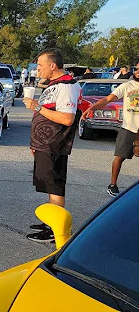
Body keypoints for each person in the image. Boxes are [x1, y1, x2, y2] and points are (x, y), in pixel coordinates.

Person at [22, 49, 80, 243]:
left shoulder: (66, 86)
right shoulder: (54, 85)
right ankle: (50, 222)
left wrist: (36, 107)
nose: (37, 69)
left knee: (55, 187)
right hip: (44, 144)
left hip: (54, 144)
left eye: (40, 65)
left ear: (52, 65)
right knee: (49, 184)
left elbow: (67, 118)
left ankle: (56, 231)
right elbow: (50, 110)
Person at [81, 63, 139, 197]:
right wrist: (92, 108)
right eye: (136, 69)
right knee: (119, 157)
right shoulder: (127, 86)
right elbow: (107, 99)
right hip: (128, 128)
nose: (137, 72)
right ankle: (113, 185)